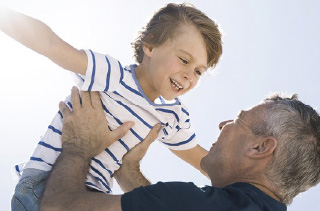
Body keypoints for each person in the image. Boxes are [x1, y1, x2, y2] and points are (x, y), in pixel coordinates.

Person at [0, 3, 223, 210]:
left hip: (93, 197)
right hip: (44, 184)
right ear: (150, 45)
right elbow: (51, 44)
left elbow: (204, 161)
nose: (189, 76)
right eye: (184, 60)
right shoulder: (112, 75)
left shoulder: (172, 116)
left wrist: (251, 190)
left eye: (198, 72)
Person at [40, 88, 320, 210]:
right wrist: (128, 171)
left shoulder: (195, 203)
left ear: (260, 147)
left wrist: (77, 146)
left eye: (238, 120)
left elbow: (56, 208)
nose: (223, 124)